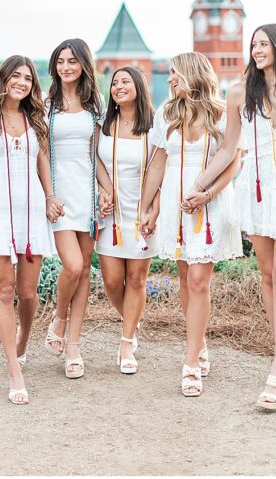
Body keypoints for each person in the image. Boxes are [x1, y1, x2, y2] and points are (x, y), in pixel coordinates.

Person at [190, 24, 276, 410]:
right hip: (258, 192)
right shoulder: (239, 93)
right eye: (254, 44)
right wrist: (199, 184)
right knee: (266, 274)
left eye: (264, 43)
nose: (257, 48)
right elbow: (230, 147)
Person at [139, 52, 243, 397]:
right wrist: (147, 208)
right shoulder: (166, 114)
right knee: (185, 277)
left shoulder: (221, 113)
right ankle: (198, 345)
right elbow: (157, 164)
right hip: (173, 203)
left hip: (210, 206)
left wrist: (207, 193)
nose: (169, 79)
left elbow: (233, 162)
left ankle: (190, 364)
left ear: (191, 75)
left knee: (199, 279)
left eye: (174, 73)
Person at [0, 55, 58, 405]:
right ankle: (13, 369)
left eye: (28, 78)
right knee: (4, 291)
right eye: (16, 76)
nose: (22, 82)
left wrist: (50, 197)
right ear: (4, 78)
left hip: (32, 211)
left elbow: (43, 159)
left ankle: (23, 339)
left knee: (28, 293)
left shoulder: (36, 117)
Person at [42, 39, 104, 379]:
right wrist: (49, 195)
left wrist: (105, 191)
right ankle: (60, 317)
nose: (66, 67)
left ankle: (74, 346)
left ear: (83, 65)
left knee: (84, 273)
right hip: (59, 197)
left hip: (88, 195)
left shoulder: (95, 104)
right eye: (61, 61)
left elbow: (97, 154)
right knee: (74, 265)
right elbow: (40, 153)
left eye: (72, 61)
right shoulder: (45, 104)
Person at [95, 66, 160, 374]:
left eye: (125, 81)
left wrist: (155, 209)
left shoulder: (154, 126)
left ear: (138, 86)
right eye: (114, 83)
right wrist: (103, 190)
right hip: (111, 213)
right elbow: (94, 159)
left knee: (136, 280)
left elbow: (164, 169)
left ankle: (126, 342)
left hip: (141, 211)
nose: (119, 86)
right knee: (111, 280)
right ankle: (132, 324)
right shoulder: (104, 123)